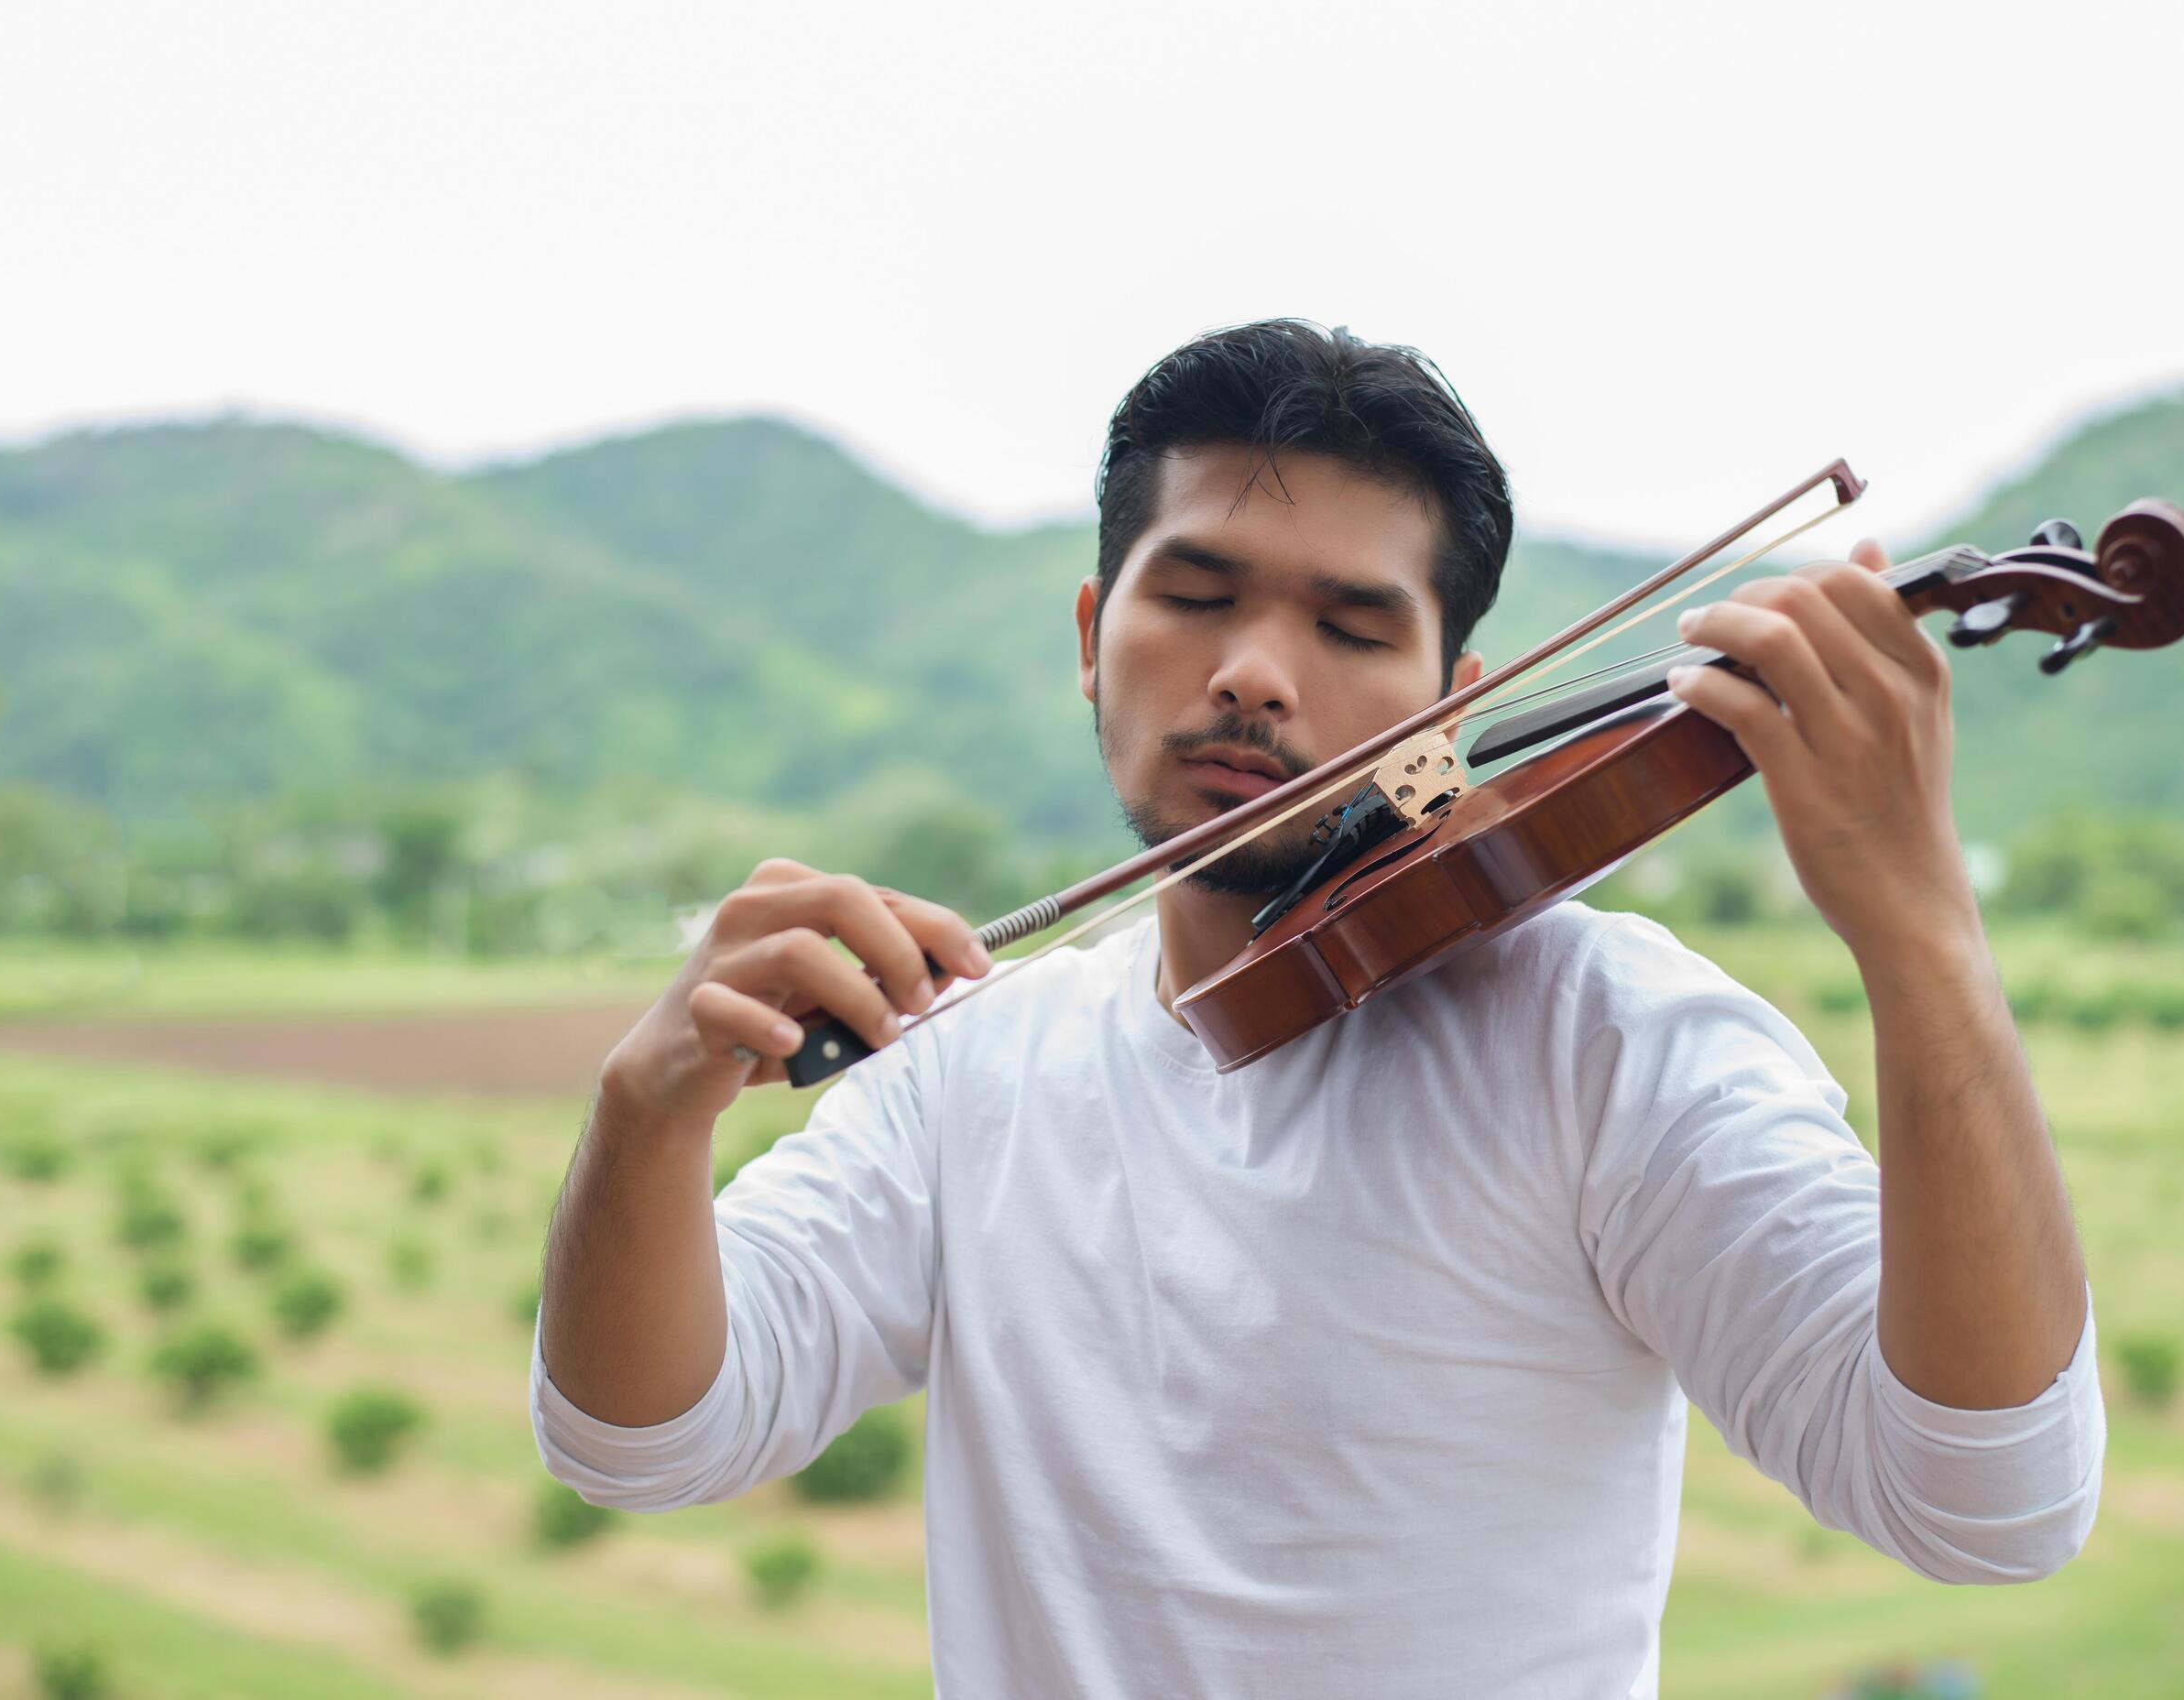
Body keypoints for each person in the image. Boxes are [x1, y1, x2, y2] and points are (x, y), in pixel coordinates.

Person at [530, 320, 2103, 1697]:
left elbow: (1988, 1501)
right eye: (1196, 598)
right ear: (1092, 642)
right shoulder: (973, 1066)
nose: (1256, 677)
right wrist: (647, 1116)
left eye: (1351, 629)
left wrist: (1921, 938)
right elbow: (642, 1442)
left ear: (1451, 704)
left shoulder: (1605, 1041)